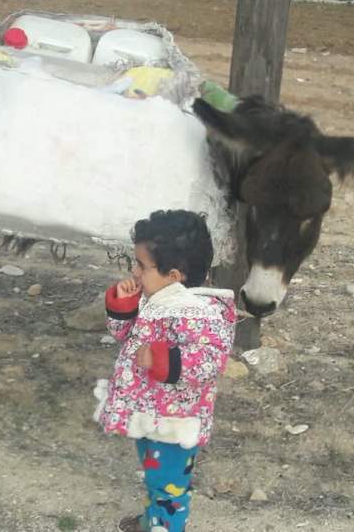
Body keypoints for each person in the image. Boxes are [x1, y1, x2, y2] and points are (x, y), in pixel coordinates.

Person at [93, 210, 237, 532]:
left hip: (174, 421)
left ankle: (165, 526)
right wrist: (123, 305)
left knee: (170, 490)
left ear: (174, 275)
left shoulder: (200, 313)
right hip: (149, 413)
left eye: (142, 266)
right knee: (155, 478)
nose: (135, 272)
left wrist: (163, 360)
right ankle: (151, 522)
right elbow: (123, 334)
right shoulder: (154, 299)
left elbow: (210, 360)